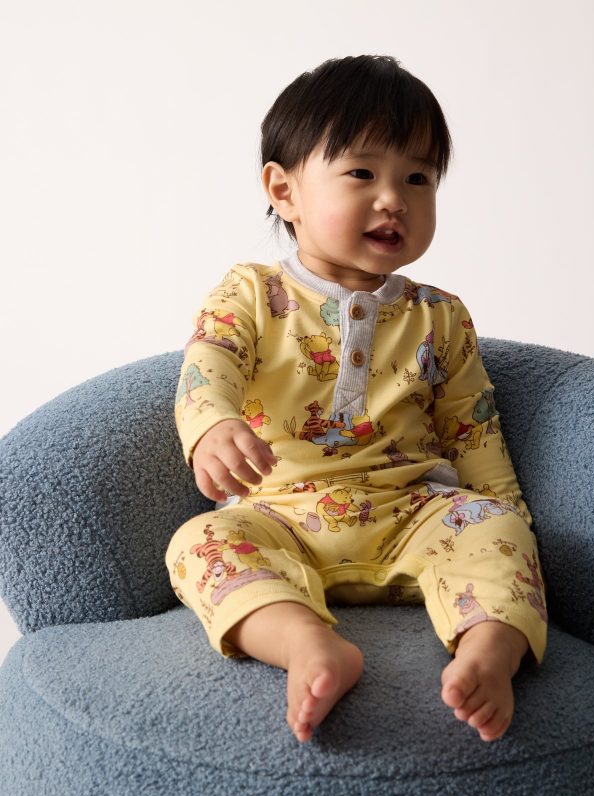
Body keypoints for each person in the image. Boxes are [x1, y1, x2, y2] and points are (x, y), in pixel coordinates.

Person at [166, 54, 547, 745]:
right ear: (284, 190)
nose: (393, 198)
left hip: (414, 512)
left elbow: (473, 428)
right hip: (282, 515)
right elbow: (209, 363)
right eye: (362, 173)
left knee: (497, 528)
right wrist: (212, 425)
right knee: (200, 542)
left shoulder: (440, 315)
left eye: (418, 178)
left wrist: (507, 523)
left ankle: (490, 649)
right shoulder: (251, 292)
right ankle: (305, 643)